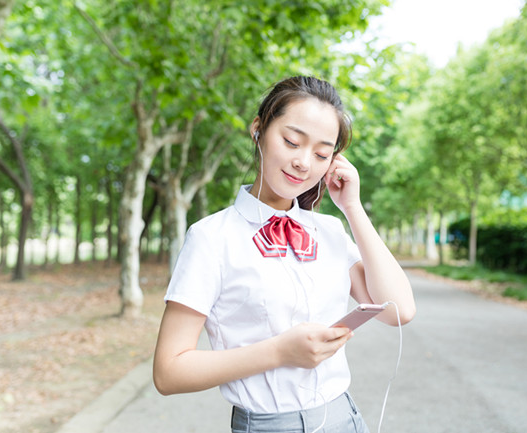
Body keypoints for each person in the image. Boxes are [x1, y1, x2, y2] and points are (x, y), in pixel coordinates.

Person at [153, 76, 416, 433]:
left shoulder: (329, 232)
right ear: (258, 130)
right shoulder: (211, 238)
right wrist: (278, 352)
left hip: (347, 419)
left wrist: (352, 207)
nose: (303, 163)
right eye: (292, 142)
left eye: (322, 154)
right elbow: (169, 372)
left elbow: (400, 310)